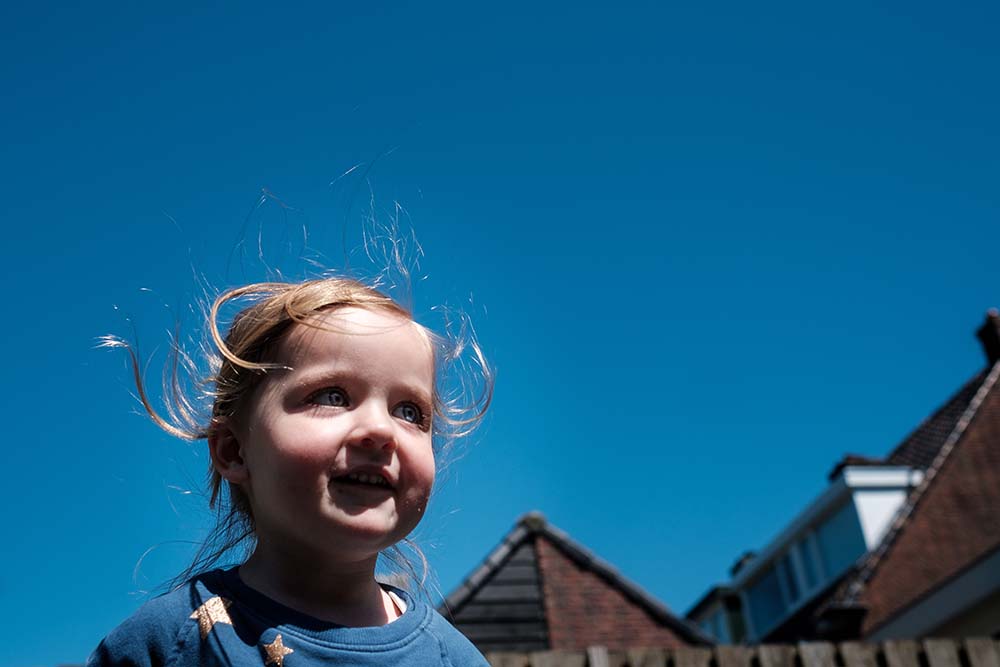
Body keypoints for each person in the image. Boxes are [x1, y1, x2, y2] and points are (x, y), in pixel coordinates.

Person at [88, 277, 492, 666]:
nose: (381, 430)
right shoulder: (170, 642)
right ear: (234, 451)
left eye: (409, 412)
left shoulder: (453, 658)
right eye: (332, 396)